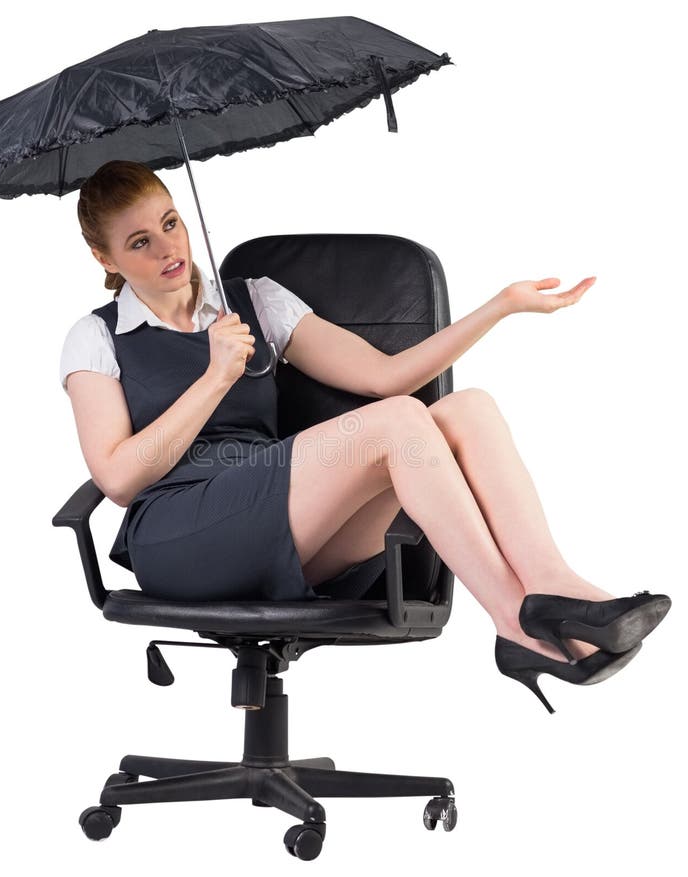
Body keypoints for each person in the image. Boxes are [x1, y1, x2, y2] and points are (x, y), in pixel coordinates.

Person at [60, 159, 671, 713]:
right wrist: (216, 377)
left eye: (171, 223)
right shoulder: (96, 337)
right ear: (104, 258)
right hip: (179, 533)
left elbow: (386, 376)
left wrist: (501, 306)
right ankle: (516, 626)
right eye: (140, 242)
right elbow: (116, 479)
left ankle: (554, 588)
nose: (168, 248)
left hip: (276, 515)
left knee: (469, 410)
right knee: (403, 419)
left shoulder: (251, 303)